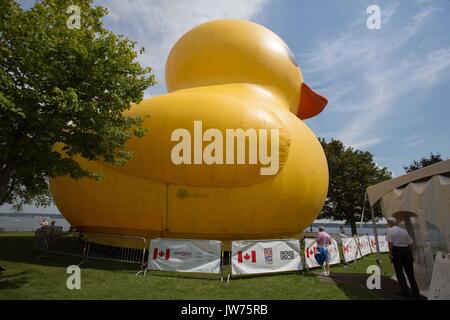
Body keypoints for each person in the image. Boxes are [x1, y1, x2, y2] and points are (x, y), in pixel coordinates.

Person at [386, 217, 420, 298]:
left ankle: (405, 291)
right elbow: (410, 243)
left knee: (399, 273)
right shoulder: (404, 231)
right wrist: (409, 253)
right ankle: (415, 292)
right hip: (406, 251)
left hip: (397, 252)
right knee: (410, 273)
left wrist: (390, 254)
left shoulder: (390, 230)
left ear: (390, 223)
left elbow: (390, 243)